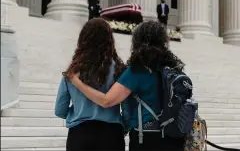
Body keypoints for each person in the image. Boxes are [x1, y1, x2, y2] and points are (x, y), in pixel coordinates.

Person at [67, 21, 186, 151]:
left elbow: (107, 101)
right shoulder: (172, 69)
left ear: (137, 41)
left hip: (147, 138)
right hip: (174, 136)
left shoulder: (137, 71)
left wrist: (77, 82)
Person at [55, 18, 126, 151]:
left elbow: (60, 110)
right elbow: (127, 109)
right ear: (109, 40)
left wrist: (79, 111)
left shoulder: (73, 71)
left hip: (79, 135)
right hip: (111, 135)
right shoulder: (120, 69)